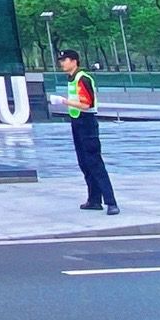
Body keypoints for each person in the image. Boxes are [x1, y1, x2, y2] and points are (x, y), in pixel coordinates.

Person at [58, 48, 119, 215]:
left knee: (94, 162)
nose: (62, 63)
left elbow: (87, 104)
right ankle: (94, 199)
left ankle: (111, 202)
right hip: (76, 121)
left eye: (65, 60)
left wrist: (65, 102)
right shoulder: (72, 78)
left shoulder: (82, 78)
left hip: (87, 122)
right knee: (84, 162)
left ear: (74, 61)